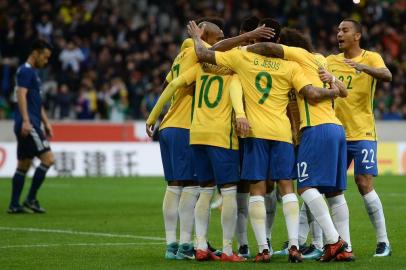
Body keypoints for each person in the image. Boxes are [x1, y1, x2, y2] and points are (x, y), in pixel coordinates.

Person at [188, 19, 346, 263]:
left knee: (258, 191)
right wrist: (335, 86)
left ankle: (263, 248)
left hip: (255, 133)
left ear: (256, 37)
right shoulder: (290, 67)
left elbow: (203, 54)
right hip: (283, 133)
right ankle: (294, 245)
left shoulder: (242, 57)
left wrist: (197, 37)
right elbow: (309, 93)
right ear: (278, 40)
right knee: (287, 188)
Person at [146, 19, 274, 260]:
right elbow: (234, 87)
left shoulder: (187, 58)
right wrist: (241, 115)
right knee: (224, 190)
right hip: (209, 131)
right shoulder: (216, 59)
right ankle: (212, 248)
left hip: (191, 131)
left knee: (190, 188)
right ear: (205, 35)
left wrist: (153, 117)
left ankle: (193, 245)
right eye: (219, 36)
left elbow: (170, 83)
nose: (222, 39)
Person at [246, 27, 353, 261]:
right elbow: (342, 92)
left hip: (315, 129)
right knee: (334, 192)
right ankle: (346, 249)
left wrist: (244, 48)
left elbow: (271, 49)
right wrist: (334, 84)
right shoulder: (319, 60)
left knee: (304, 187)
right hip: (335, 128)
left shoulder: (296, 57)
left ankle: (334, 241)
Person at [321, 19, 392, 257]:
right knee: (329, 189)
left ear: (357, 35)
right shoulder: (330, 61)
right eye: (338, 30)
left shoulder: (370, 57)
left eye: (345, 30)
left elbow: (387, 75)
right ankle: (341, 245)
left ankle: (383, 242)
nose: (339, 33)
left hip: (362, 132)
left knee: (364, 184)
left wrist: (364, 69)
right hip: (335, 133)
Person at [8, 39, 55, 214]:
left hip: (32, 122)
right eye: (45, 56)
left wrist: (46, 122)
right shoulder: (26, 71)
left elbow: (36, 102)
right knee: (48, 159)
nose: (46, 60)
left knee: (24, 164)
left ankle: (14, 204)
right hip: (29, 124)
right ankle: (31, 198)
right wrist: (27, 121)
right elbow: (21, 94)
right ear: (35, 53)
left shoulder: (32, 73)